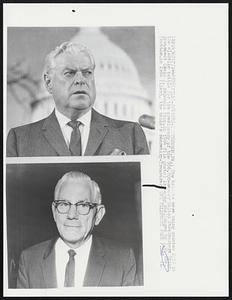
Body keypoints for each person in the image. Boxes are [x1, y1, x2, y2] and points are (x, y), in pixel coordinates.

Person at [7, 42, 149, 157]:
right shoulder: (20, 140)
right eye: (69, 73)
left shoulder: (130, 135)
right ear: (49, 83)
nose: (80, 80)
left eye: (87, 73)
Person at [17, 171, 138, 288]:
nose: (71, 215)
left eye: (83, 205)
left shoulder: (122, 261)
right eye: (64, 204)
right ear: (54, 211)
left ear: (98, 215)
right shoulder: (29, 259)